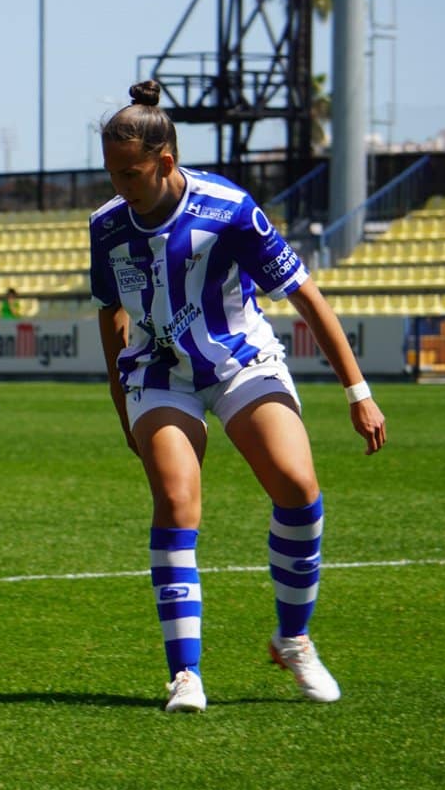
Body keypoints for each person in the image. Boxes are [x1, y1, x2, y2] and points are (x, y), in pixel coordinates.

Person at [88, 79, 386, 714]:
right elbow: (111, 317)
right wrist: (124, 405)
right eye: (111, 171)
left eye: (130, 172)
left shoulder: (227, 208)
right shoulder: (107, 227)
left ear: (165, 162)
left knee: (297, 488)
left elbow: (305, 293)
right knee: (175, 499)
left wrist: (357, 391)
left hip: (240, 361)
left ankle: (294, 638)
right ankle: (185, 676)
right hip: (159, 371)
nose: (119, 184)